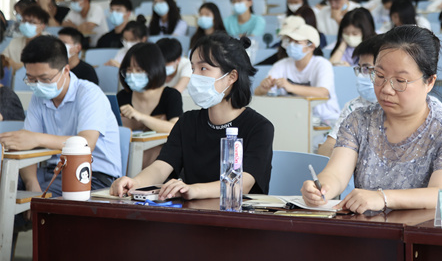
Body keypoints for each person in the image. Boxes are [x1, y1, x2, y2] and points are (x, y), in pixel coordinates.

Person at [301, 26, 442, 213]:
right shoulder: (359, 121)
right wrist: (321, 188)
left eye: (400, 81)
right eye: (380, 76)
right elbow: (336, 174)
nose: (386, 89)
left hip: (422, 229)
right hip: (368, 227)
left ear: (429, 82)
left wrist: (383, 198)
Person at [109, 33, 274, 200]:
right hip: (192, 211)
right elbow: (161, 166)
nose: (195, 76)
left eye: (203, 68)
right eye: (193, 68)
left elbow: (243, 183)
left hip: (238, 212)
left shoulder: (259, 127)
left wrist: (193, 190)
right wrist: (135, 182)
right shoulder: (187, 122)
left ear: (231, 77)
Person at [0, 35, 121, 197]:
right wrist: (31, 183)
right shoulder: (39, 96)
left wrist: (36, 139)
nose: (37, 85)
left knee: (15, 198)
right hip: (52, 171)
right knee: (5, 185)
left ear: (65, 70)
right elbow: (26, 144)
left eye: (44, 79)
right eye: (31, 79)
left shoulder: (89, 93)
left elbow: (86, 143)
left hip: (92, 174)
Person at [255, 24, 340, 126]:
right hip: (293, 119)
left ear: (311, 46)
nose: (291, 45)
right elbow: (257, 92)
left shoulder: (322, 64)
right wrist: (263, 88)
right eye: (290, 41)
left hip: (325, 120)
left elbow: (323, 92)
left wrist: (291, 87)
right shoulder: (281, 65)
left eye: (296, 42)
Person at [118, 42, 183, 167]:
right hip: (126, 156)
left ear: (154, 69)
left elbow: (175, 128)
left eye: (139, 70)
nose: (133, 75)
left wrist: (140, 117)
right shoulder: (122, 96)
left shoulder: (170, 95)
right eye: (129, 70)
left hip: (161, 161)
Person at [317, 36, 383, 157]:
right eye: (360, 68)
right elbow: (326, 148)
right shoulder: (354, 107)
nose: (361, 75)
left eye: (366, 68)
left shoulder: (402, 107)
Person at [2, 5, 50, 70]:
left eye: (32, 22)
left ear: (42, 25)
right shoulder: (15, 42)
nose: (26, 25)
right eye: (24, 21)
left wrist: (18, 66)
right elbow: (3, 58)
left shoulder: (49, 43)